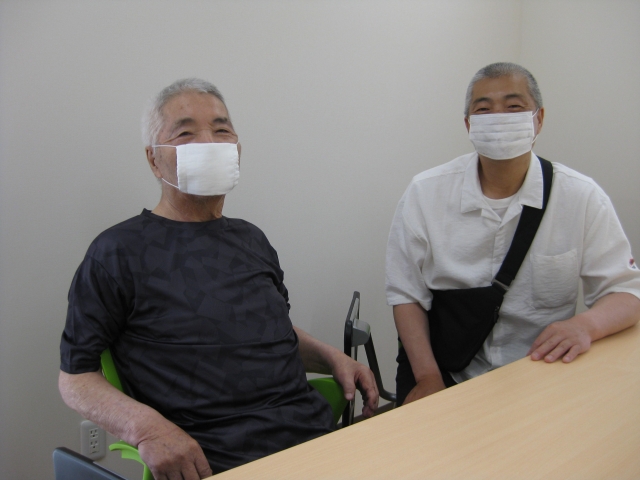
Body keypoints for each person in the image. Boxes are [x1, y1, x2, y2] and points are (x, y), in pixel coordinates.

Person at [59, 78, 378, 479]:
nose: (209, 142)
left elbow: (270, 334)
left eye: (221, 130)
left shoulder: (251, 239)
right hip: (213, 460)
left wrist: (333, 357)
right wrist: (146, 429)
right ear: (154, 159)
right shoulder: (117, 252)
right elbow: (76, 377)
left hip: (313, 440)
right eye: (185, 133)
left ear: (237, 149)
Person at [386, 62, 640, 406]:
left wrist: (586, 325)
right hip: (447, 369)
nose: (498, 117)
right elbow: (406, 293)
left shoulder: (581, 197)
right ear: (468, 124)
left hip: (541, 376)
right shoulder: (425, 193)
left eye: (514, 106)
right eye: (483, 109)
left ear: (539, 118)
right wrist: (428, 377)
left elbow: (625, 292)